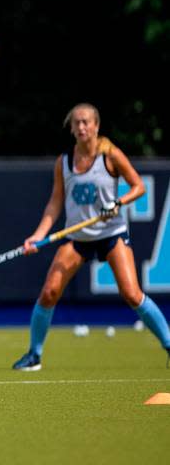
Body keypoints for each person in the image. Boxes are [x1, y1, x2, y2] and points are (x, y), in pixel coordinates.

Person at [12, 103, 170, 371]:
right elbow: (55, 203)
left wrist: (118, 203)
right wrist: (37, 237)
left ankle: (168, 343)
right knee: (50, 292)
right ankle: (34, 355)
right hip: (78, 239)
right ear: (71, 128)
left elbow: (139, 187)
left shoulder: (110, 156)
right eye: (77, 123)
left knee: (132, 294)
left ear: (96, 125)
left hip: (112, 234)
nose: (82, 127)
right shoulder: (63, 162)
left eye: (86, 122)